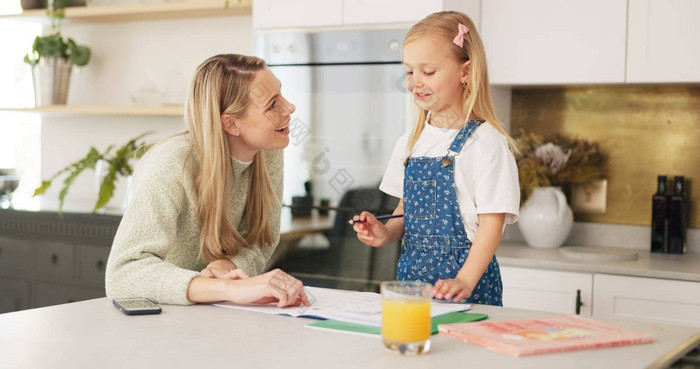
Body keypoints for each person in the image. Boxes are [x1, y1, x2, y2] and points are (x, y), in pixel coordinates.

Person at [106, 54, 309, 308]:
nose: (289, 108)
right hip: (161, 320)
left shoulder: (267, 150)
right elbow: (123, 274)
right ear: (231, 123)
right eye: (272, 105)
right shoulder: (171, 163)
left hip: (216, 315)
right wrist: (229, 288)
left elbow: (262, 240)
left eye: (282, 95)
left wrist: (228, 266)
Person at [352, 12, 520, 306]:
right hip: (412, 284)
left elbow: (491, 225)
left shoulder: (487, 143)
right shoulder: (410, 142)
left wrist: (465, 280)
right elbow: (406, 212)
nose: (416, 82)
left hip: (467, 285)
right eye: (409, 71)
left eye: (428, 71)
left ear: (465, 72)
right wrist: (384, 232)